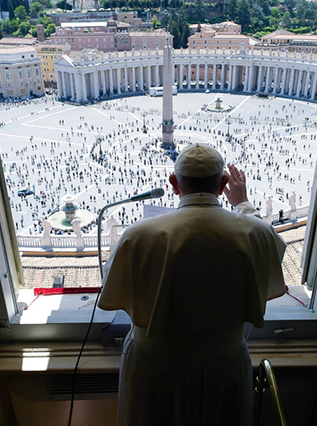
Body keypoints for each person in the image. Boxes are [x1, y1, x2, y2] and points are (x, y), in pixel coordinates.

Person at [98, 143, 287, 426]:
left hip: (154, 368)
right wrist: (243, 204)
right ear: (223, 184)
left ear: (174, 184)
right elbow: (270, 250)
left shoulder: (136, 235)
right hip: (225, 366)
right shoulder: (255, 232)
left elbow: (113, 287)